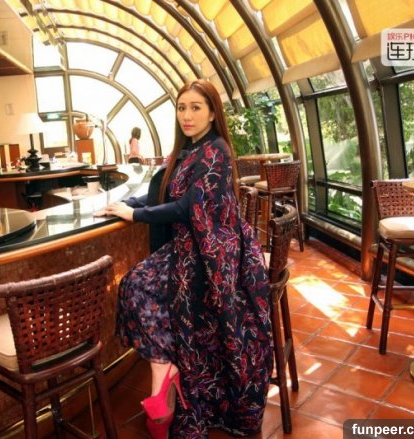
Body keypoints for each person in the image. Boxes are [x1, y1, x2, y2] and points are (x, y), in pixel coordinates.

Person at [95, 79, 272, 438]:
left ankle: (167, 373)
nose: (187, 116)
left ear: (212, 113)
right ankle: (166, 369)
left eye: (196, 107)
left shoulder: (215, 150)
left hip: (213, 255)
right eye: (181, 108)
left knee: (137, 287)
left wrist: (135, 215)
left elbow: (188, 207)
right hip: (190, 248)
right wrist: (126, 204)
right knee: (134, 286)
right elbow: (166, 193)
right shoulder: (190, 149)